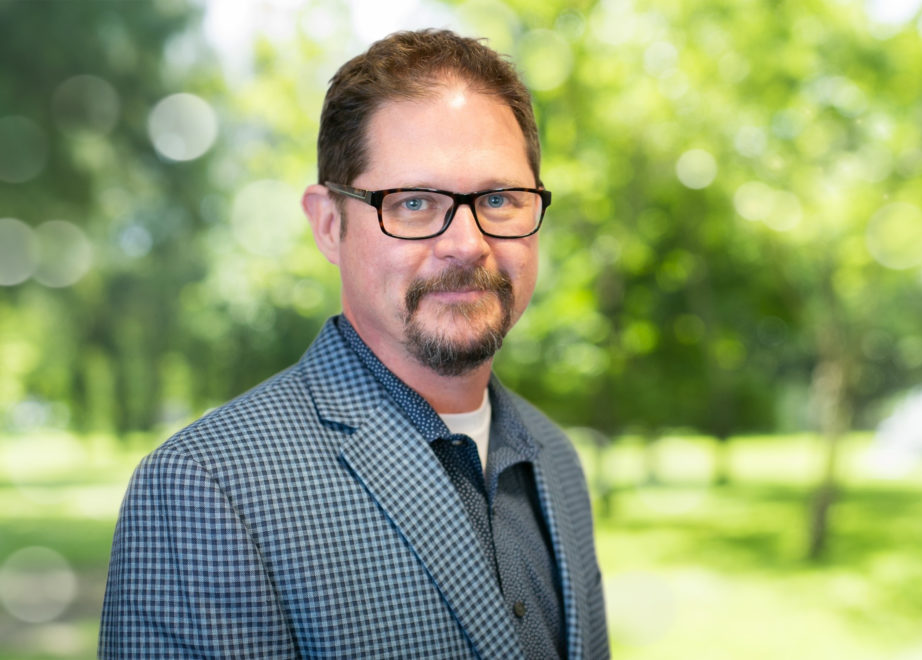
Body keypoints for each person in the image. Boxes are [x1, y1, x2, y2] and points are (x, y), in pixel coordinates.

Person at [99, 29, 608, 659]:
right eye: (414, 203)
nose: (466, 244)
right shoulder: (206, 489)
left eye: (499, 199)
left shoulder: (556, 460)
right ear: (328, 224)